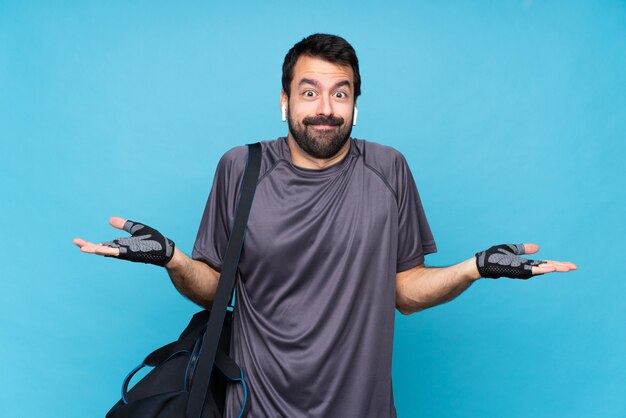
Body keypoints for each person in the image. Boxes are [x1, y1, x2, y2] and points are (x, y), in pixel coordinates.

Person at [73, 33, 577, 417]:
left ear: (356, 107)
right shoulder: (241, 168)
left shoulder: (388, 169)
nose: (324, 109)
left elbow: (405, 290)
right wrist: (174, 259)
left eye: (341, 94)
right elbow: (214, 289)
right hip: (253, 407)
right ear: (284, 101)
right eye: (309, 92)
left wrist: (473, 268)